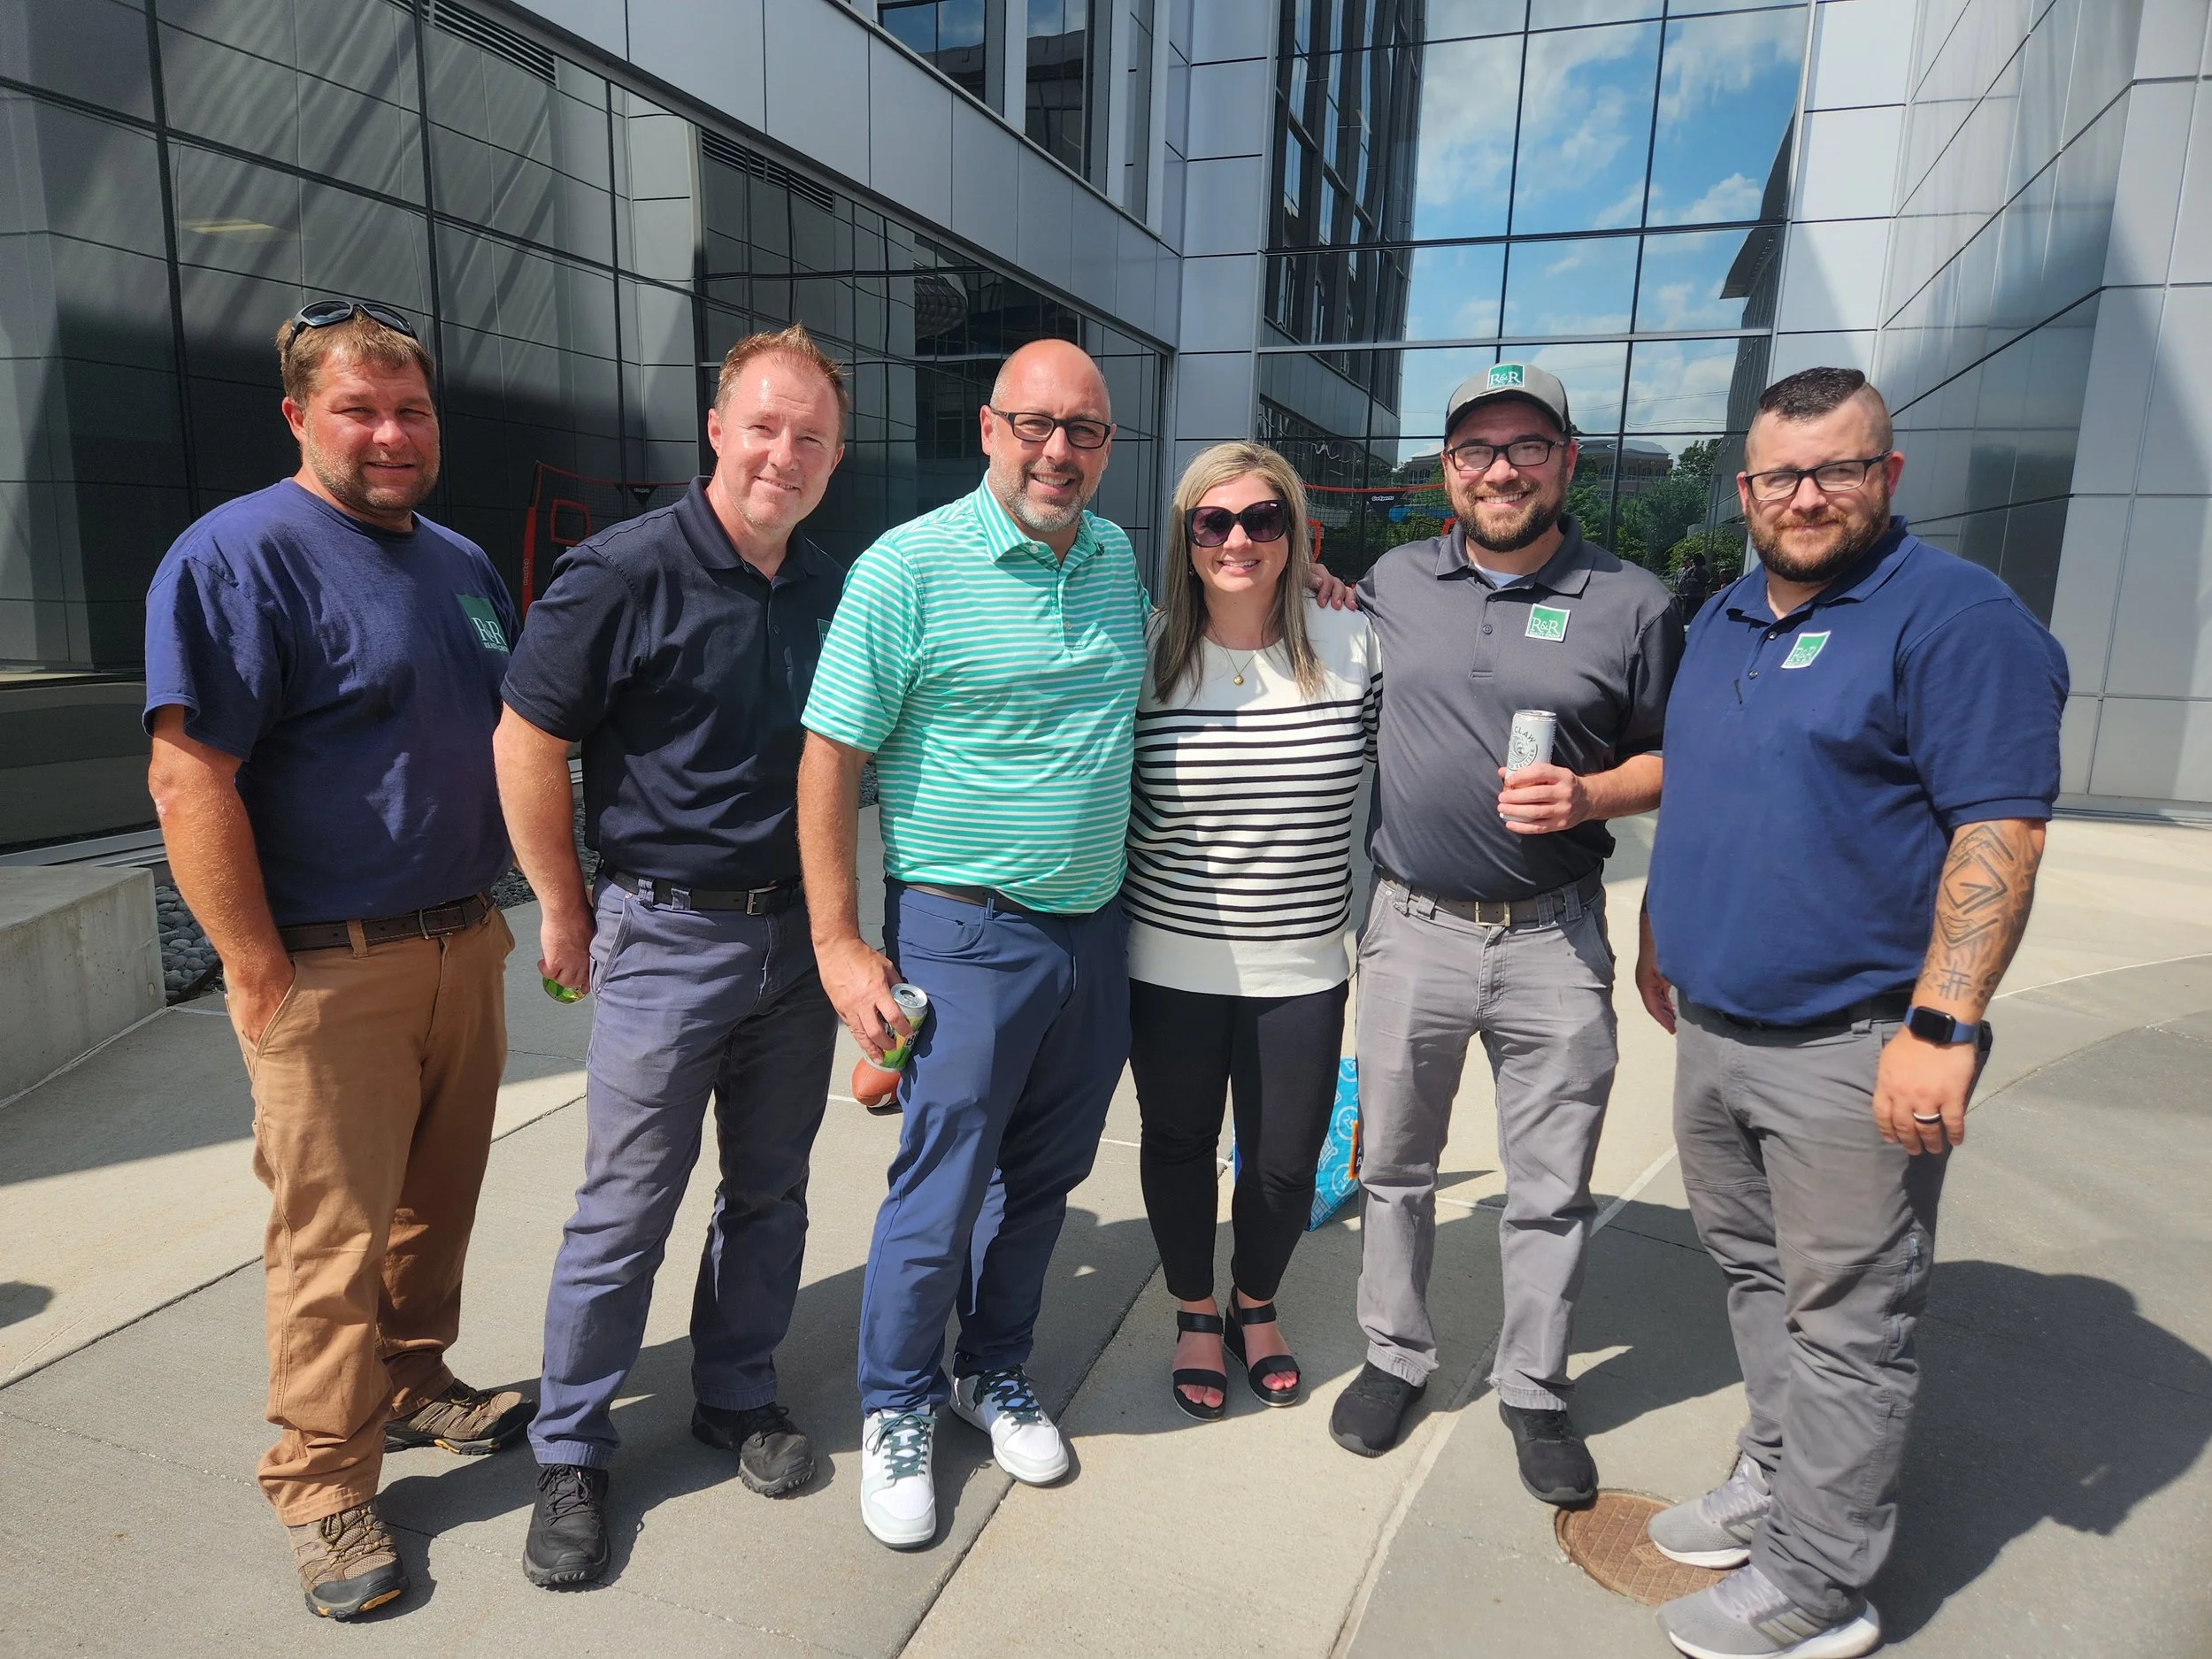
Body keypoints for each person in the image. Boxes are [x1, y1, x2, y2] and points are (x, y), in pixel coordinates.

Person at [1636, 367, 2066, 1659]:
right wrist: (1660, 927)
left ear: (1888, 473)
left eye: (1837, 467)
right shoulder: (1725, 615)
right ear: (1746, 487)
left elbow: (1999, 829)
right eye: (1781, 473)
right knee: (1758, 1277)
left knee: (1847, 1322)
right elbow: (1705, 784)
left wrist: (1944, 1026)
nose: (1807, 495)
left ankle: (1820, 1581)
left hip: (1854, 1039)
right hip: (1716, 1028)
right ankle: (1775, 1478)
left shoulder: (1955, 617)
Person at [143, 300, 528, 1621]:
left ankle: (412, 1380)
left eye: (410, 409)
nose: (390, 434)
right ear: (298, 415)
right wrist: (256, 969)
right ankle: (321, 1484)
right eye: (358, 410)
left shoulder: (460, 563)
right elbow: (188, 778)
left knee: (434, 1207)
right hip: (327, 964)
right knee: (329, 1241)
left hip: (462, 937)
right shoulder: (238, 555)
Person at [495, 326, 849, 1588]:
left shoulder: (834, 586)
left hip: (795, 942)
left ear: (835, 457)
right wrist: (563, 905)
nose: (783, 455)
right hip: (665, 935)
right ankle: (572, 1447)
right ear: (716, 430)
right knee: (626, 1207)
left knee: (770, 1190)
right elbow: (526, 738)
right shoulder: (619, 573)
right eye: (763, 427)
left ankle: (736, 1389)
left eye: (810, 437)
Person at [796, 338, 1146, 1549]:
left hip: (1093, 928)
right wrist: (840, 940)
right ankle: (897, 1400)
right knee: (942, 1184)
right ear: (989, 429)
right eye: (1035, 425)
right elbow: (830, 756)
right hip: (963, 927)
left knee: (1044, 1176)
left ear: (1107, 446)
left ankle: (990, 1369)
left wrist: (1318, 590)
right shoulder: (908, 566)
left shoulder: (1114, 558)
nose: (1058, 451)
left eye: (1084, 431)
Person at [1330, 363, 1683, 1511]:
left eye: (1526, 446)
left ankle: (1533, 1385)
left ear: (1566, 461)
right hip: (1411, 927)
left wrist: (1592, 796)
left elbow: (1678, 760)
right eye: (1475, 450)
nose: (1500, 470)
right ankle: (1395, 1354)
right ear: (1447, 470)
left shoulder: (1633, 601)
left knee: (1549, 1186)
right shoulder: (1394, 580)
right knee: (1394, 1168)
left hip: (1553, 941)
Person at [1123, 441, 1379, 1421]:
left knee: (1282, 1162)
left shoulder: (1353, 643)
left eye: (1263, 519)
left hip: (1302, 964)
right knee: (1179, 1142)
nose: (1238, 539)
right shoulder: (1145, 652)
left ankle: (1254, 1304)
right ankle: (1196, 1311)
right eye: (1214, 521)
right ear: (1186, 538)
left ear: (1296, 533)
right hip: (1167, 959)